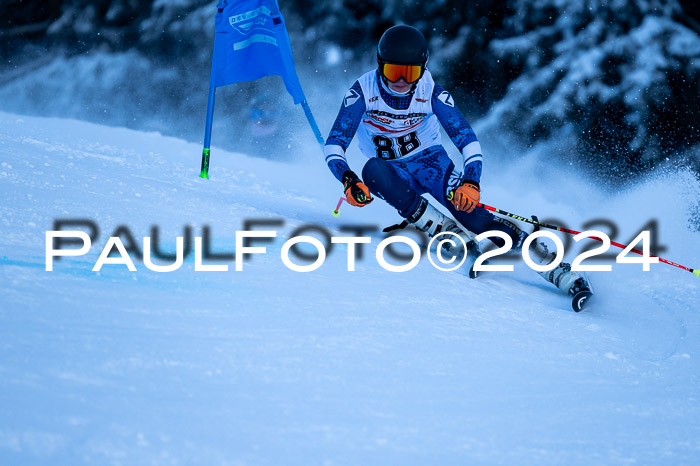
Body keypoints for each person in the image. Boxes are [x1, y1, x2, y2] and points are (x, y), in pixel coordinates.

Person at [323, 25, 591, 307]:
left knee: (476, 219)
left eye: (410, 73)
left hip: (431, 164)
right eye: (393, 72)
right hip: (392, 170)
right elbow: (334, 144)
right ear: (380, 65)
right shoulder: (363, 92)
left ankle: (558, 269)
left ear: (423, 69)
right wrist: (348, 180)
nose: (401, 81)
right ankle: (441, 229)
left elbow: (468, 141)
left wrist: (471, 182)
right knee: (373, 171)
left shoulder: (431, 92)